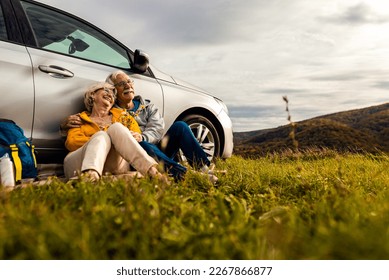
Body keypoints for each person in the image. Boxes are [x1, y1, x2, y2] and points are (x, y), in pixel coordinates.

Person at [105, 70, 218, 182]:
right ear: (114, 90)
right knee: (142, 145)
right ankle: (184, 173)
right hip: (136, 157)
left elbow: (157, 129)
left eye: (129, 81)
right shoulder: (113, 113)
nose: (127, 85)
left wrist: (143, 137)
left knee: (180, 126)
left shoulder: (148, 106)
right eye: (121, 84)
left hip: (156, 148)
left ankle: (203, 168)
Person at [63, 82, 165, 182]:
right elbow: (72, 143)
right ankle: (91, 173)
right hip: (79, 164)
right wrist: (103, 140)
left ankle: (151, 171)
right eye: (106, 90)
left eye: (113, 95)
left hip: (115, 164)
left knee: (116, 127)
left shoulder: (123, 116)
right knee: (102, 136)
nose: (110, 95)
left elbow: (135, 137)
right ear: (93, 95)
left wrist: (124, 137)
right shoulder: (80, 118)